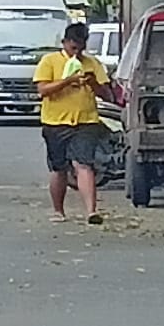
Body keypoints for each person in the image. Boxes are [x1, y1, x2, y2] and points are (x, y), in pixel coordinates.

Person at [34, 21, 115, 224]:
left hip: (85, 121)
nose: (77, 51)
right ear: (65, 42)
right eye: (73, 46)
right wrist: (67, 81)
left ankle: (91, 211)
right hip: (56, 122)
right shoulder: (49, 61)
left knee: (84, 164)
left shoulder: (92, 64)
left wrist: (93, 83)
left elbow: (108, 95)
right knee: (59, 167)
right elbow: (42, 90)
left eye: (81, 46)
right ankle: (58, 210)